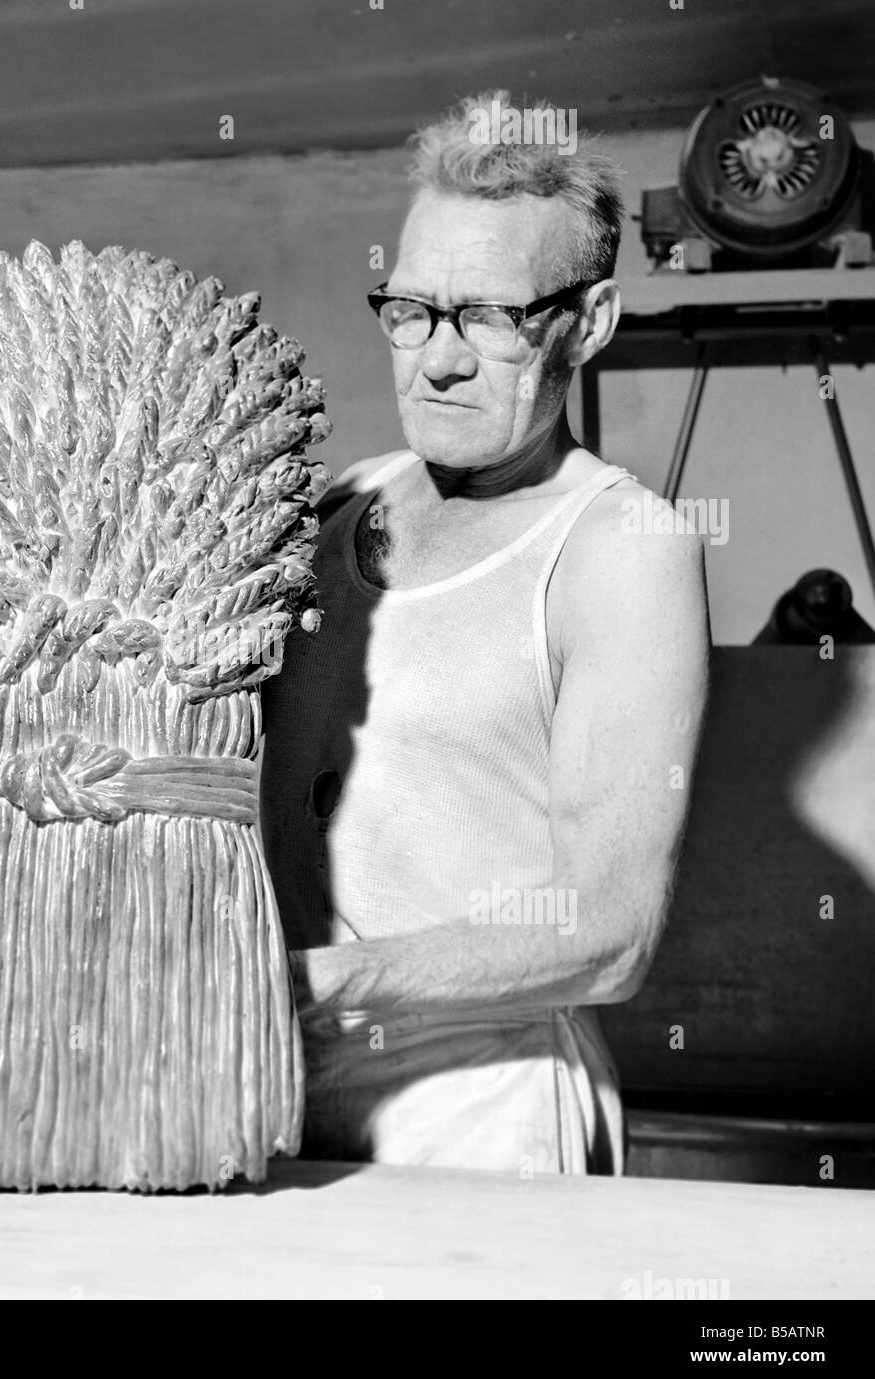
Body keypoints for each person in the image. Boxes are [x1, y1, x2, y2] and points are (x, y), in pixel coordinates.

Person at [259, 91, 711, 1176]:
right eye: (410, 309)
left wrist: (297, 983)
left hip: (484, 1107)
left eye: (491, 317)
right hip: (274, 1078)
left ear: (589, 322)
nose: (438, 359)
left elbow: (609, 930)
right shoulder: (334, 508)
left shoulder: (620, 548)